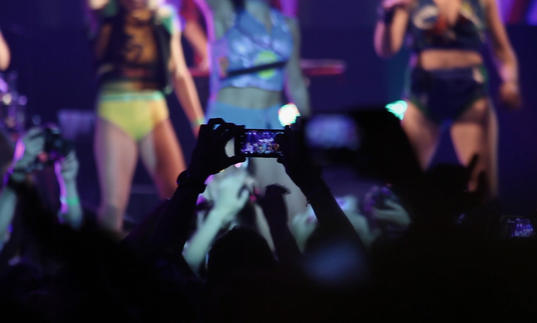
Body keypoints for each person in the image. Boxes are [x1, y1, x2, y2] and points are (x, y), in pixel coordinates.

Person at [374, 0, 522, 198]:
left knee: (480, 184)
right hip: (423, 92)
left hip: (469, 91)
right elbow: (386, 49)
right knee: (403, 181)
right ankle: (410, 226)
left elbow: (502, 50)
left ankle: (478, 226)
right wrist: (387, 15)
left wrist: (510, 82)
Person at [87, 0, 205, 232]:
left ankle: (173, 263)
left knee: (178, 196)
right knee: (113, 205)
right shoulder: (107, 9)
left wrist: (198, 121)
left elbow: (179, 73)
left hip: (154, 110)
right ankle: (102, 266)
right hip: (115, 111)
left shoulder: (165, 16)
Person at [195, 0, 311, 218]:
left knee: (288, 199)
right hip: (229, 120)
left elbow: (295, 82)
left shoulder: (287, 24)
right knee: (219, 204)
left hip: (267, 122)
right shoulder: (223, 12)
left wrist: (309, 132)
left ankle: (281, 250)